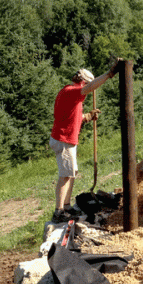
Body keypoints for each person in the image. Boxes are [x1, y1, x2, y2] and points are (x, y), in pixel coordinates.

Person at [49, 61, 119, 223]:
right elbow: (90, 88)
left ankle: (66, 207)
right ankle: (59, 211)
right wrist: (109, 74)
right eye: (87, 86)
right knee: (66, 175)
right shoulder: (73, 91)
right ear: (83, 82)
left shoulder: (69, 93)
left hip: (65, 138)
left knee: (71, 173)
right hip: (64, 139)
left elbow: (70, 116)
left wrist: (87, 116)